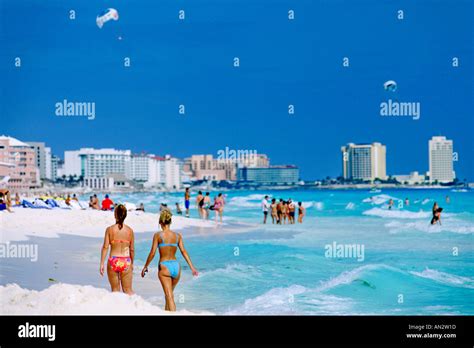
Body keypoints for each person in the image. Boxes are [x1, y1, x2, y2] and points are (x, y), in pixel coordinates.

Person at [141, 210, 198, 311]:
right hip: (176, 267)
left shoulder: (158, 235)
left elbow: (152, 253)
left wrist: (145, 266)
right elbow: (184, 252)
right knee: (169, 295)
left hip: (165, 266)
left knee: (169, 296)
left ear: (161, 222)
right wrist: (192, 268)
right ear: (170, 222)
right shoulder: (177, 236)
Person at [100, 204, 135, 295]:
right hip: (126, 260)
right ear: (125, 215)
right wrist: (132, 263)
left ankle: (118, 308)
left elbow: (105, 247)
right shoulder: (130, 231)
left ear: (115, 215)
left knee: (115, 290)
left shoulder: (110, 229)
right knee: (128, 290)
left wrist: (102, 263)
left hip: (113, 261)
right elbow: (132, 249)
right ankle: (134, 307)